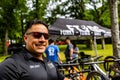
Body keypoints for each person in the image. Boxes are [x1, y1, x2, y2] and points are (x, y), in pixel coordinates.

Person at [0, 19, 69, 80]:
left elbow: (61, 78)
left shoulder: (48, 61)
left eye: (46, 36)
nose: (42, 40)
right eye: (37, 35)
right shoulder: (10, 65)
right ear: (26, 38)